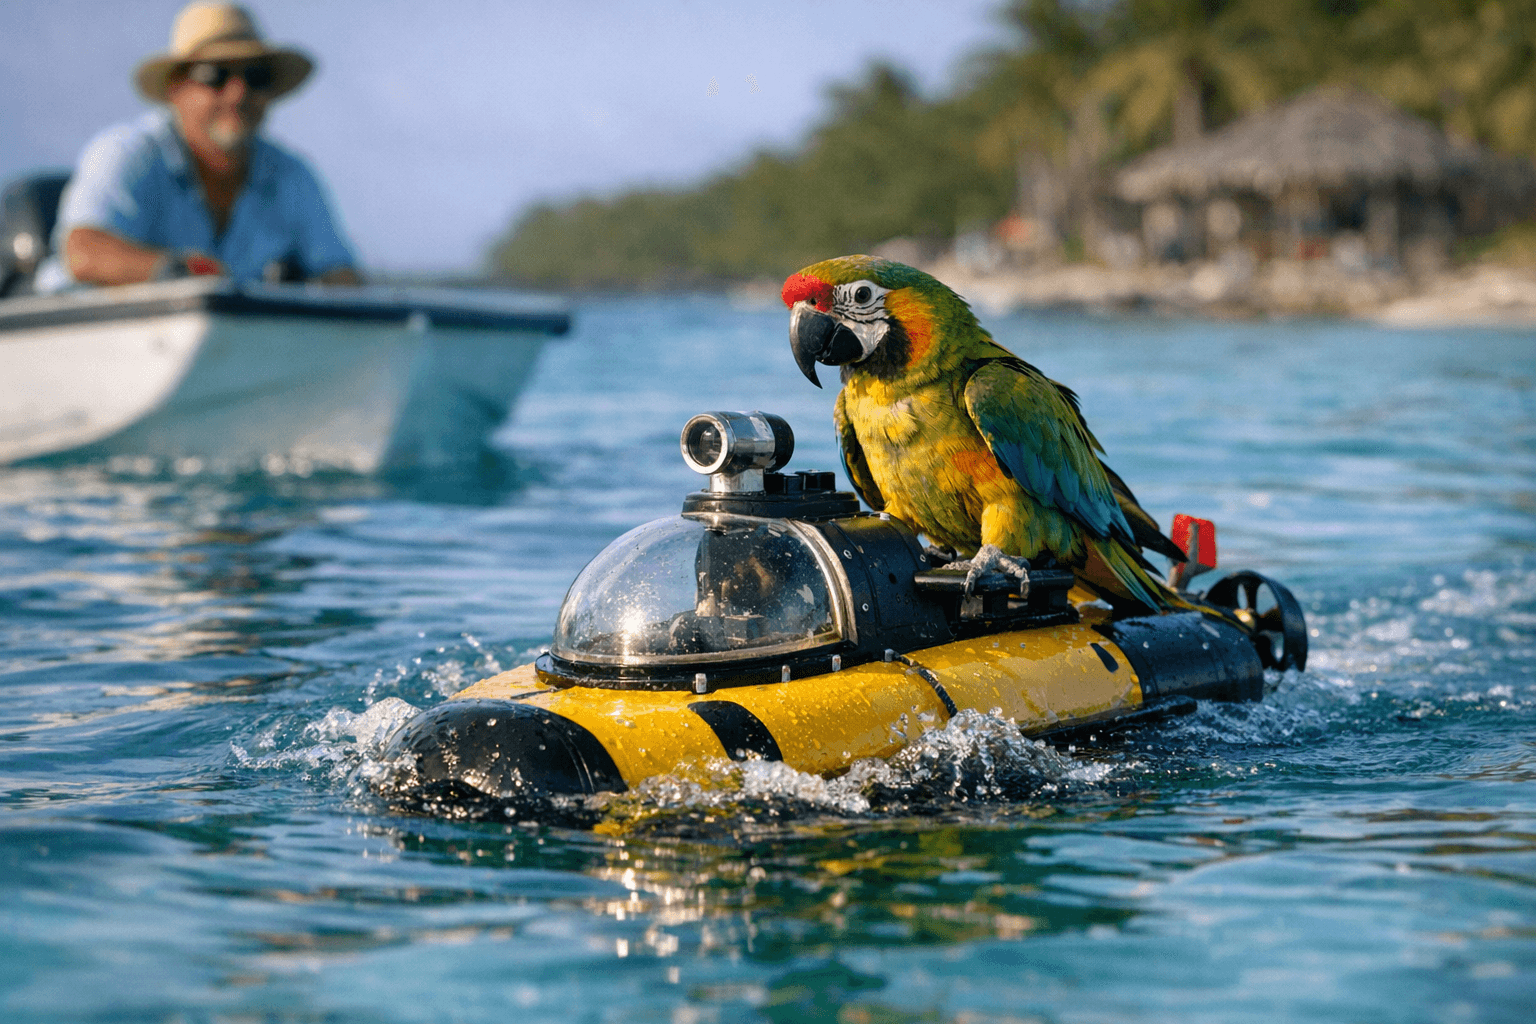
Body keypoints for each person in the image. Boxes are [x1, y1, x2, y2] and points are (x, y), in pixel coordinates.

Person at [36, 2, 360, 292]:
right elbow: (82, 252)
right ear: (176, 88)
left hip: (223, 349)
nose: (238, 93)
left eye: (256, 76)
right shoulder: (129, 154)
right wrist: (177, 272)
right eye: (215, 75)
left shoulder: (292, 176)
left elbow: (342, 276)